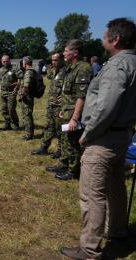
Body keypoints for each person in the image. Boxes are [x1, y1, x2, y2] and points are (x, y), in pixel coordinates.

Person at [61, 18, 136, 260]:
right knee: (115, 187)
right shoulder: (132, 62)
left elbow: (106, 107)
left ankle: (89, 249)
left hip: (104, 138)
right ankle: (116, 230)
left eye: (105, 36)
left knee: (92, 195)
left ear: (115, 39)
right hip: (122, 135)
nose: (102, 39)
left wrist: (88, 133)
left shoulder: (117, 66)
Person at [47, 40, 91, 181]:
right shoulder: (71, 68)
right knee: (65, 140)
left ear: (75, 52)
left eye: (66, 51)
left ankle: (73, 171)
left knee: (73, 142)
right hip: (66, 110)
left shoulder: (83, 68)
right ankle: (64, 164)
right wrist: (63, 109)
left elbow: (81, 96)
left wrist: (75, 118)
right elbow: (68, 93)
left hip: (73, 113)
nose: (64, 53)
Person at [31, 53, 66, 157]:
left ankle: (61, 150)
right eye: (52, 60)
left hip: (60, 106)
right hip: (51, 104)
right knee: (49, 127)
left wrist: (64, 98)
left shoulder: (66, 72)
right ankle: (44, 148)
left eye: (56, 60)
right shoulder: (54, 71)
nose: (53, 62)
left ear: (62, 60)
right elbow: (47, 75)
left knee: (60, 129)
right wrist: (43, 66)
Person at [0, 55, 22, 130]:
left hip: (11, 92)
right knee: (4, 109)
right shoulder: (0, 70)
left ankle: (16, 124)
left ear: (9, 61)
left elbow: (20, 78)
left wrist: (17, 87)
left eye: (7, 61)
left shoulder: (14, 68)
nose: (5, 63)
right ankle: (7, 124)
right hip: (3, 92)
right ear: (1, 61)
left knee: (11, 109)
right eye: (4, 61)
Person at [18, 56, 36, 140]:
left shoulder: (28, 72)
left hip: (27, 98)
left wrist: (21, 96)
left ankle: (29, 134)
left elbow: (26, 86)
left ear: (25, 63)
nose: (22, 64)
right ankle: (29, 133)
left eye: (23, 62)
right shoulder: (29, 71)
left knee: (27, 115)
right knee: (26, 115)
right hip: (27, 96)